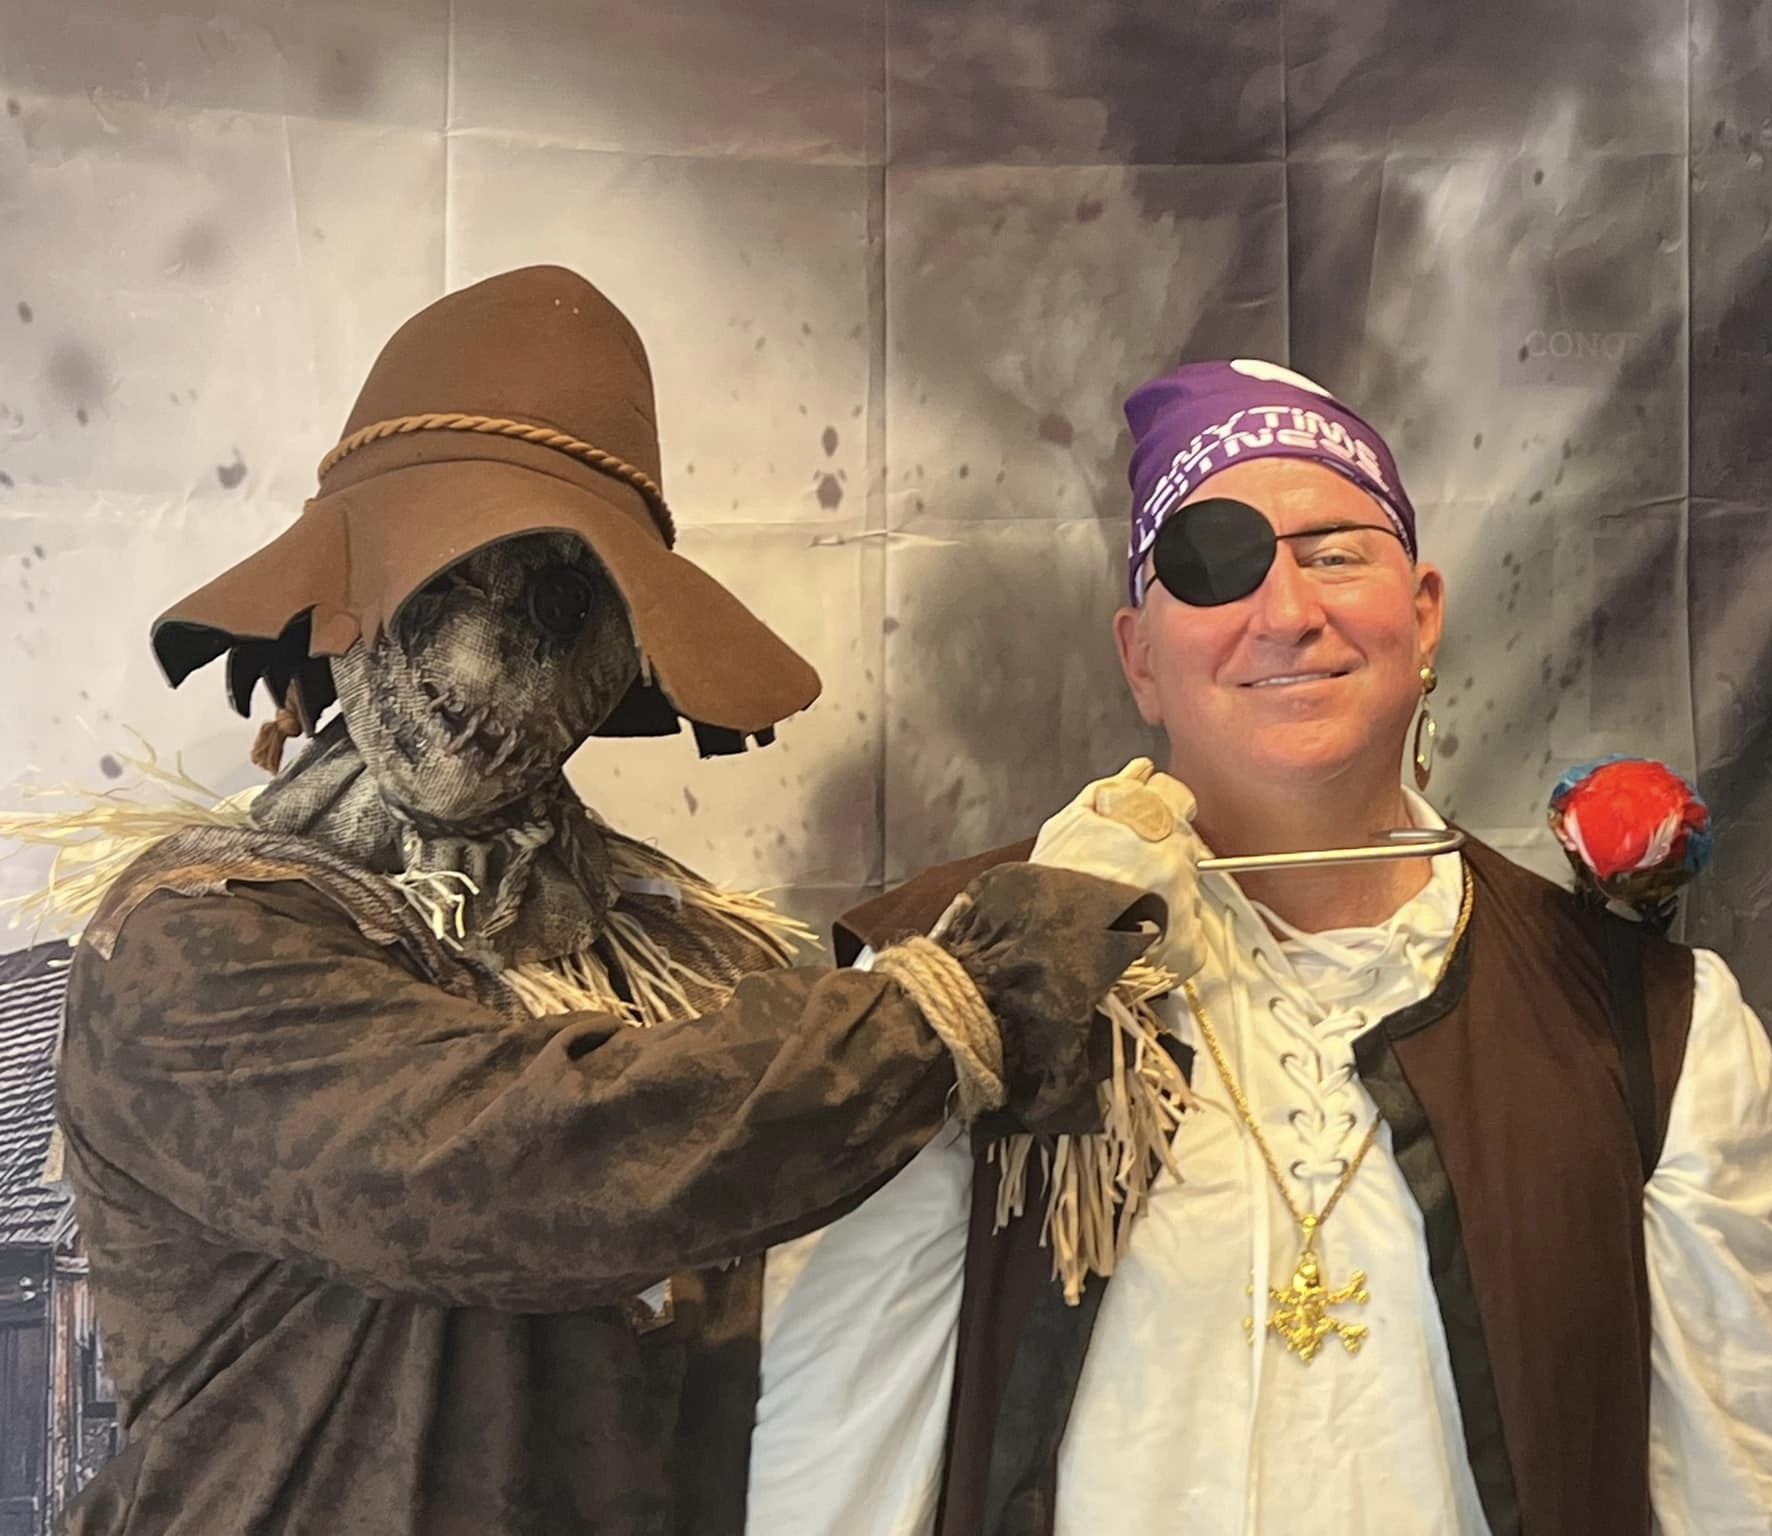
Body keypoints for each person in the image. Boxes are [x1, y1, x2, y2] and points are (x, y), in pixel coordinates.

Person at [44, 267, 1166, 1536]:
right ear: (336, 595)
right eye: (442, 582)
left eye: (560, 602)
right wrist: (941, 1011)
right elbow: (509, 1170)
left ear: (627, 650)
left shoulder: (688, 961)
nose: (482, 661)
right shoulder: (191, 946)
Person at [748, 359, 1772, 1535]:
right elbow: (834, 1472)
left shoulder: (1650, 1026)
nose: (1284, 613)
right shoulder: (948, 989)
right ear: (1139, 657)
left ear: (1422, 611)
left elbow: (1746, 1495)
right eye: (1212, 566)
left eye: (1333, 554)